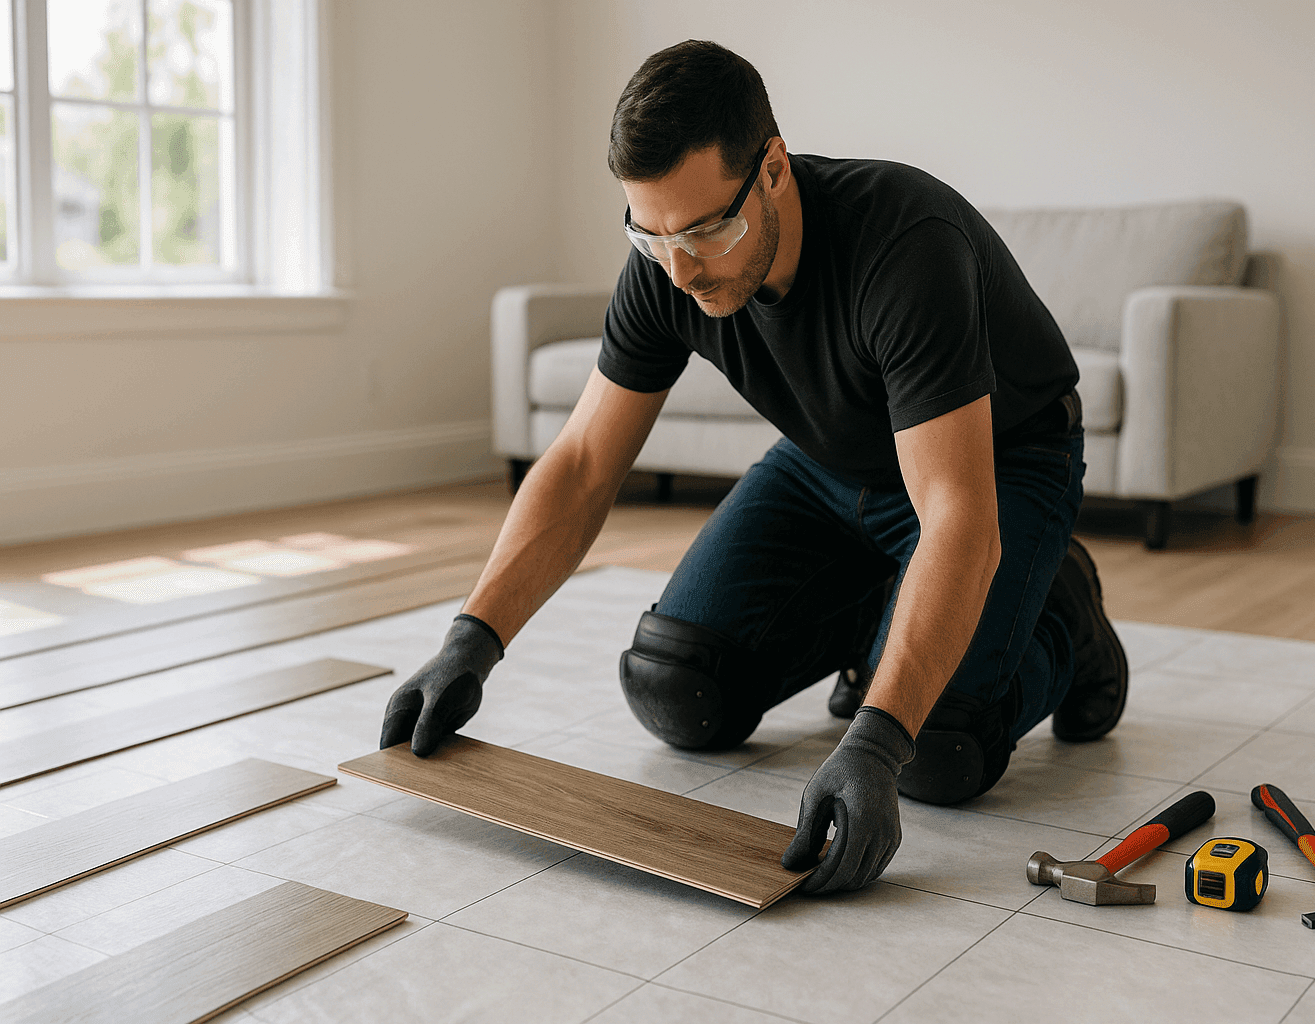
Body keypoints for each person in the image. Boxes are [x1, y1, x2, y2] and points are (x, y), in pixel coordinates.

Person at [379, 39, 1128, 895]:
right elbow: (585, 461)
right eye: (652, 235)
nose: (683, 267)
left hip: (997, 465)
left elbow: (956, 512)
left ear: (773, 167)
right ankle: (893, 616)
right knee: (676, 689)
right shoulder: (665, 263)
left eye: (707, 228)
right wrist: (470, 642)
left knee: (940, 750)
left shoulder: (904, 243)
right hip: (829, 464)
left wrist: (880, 740)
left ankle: (1066, 612)